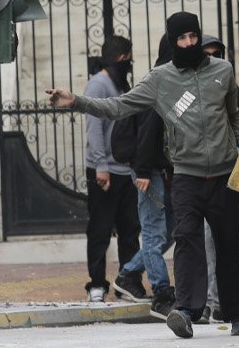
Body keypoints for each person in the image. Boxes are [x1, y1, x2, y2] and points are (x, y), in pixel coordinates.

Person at [47, 12, 239, 338]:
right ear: (173, 42)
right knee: (186, 242)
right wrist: (77, 101)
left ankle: (238, 315)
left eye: (193, 37)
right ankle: (185, 310)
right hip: (186, 175)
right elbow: (118, 106)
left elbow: (236, 116)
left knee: (229, 246)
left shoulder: (223, 71)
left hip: (225, 175)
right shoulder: (161, 79)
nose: (189, 43)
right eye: (182, 38)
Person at [113, 34, 177, 320]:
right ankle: (162, 294)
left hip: (157, 169)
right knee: (154, 233)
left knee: (172, 230)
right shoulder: (160, 81)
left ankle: (127, 274)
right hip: (146, 170)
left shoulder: (171, 80)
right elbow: (149, 130)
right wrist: (141, 171)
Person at [82, 36, 144, 303]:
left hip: (125, 170)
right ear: (121, 58)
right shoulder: (98, 84)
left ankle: (127, 283)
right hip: (105, 171)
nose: (129, 63)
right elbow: (94, 128)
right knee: (100, 230)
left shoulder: (121, 84)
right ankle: (97, 284)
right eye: (127, 58)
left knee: (130, 231)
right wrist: (101, 167)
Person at [198, 34, 239, 324]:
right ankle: (207, 302)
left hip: (229, 173)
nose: (214, 59)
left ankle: (227, 304)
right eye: (208, 54)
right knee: (204, 242)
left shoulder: (230, 86)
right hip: (199, 175)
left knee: (229, 242)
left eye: (218, 53)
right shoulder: (190, 87)